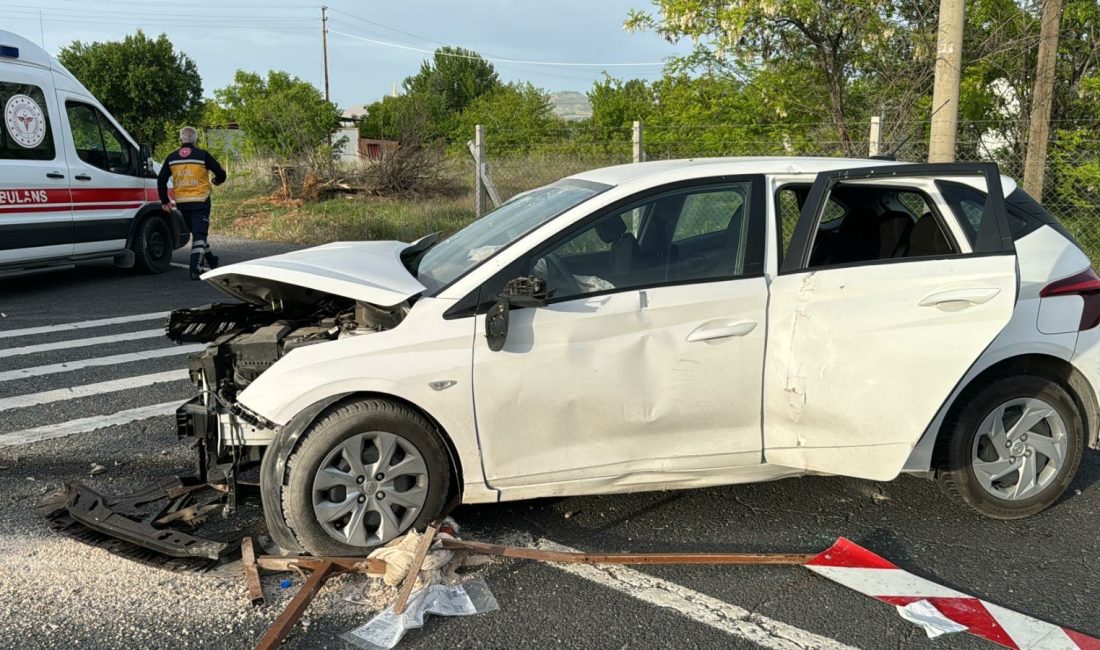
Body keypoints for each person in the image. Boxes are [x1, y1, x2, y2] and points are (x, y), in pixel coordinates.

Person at [157, 126, 228, 280]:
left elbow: (161, 179)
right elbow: (221, 173)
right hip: (201, 201)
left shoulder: (172, 157)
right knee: (199, 234)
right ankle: (195, 268)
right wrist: (217, 181)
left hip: (182, 202)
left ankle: (211, 260)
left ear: (181, 139)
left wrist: (164, 201)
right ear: (196, 140)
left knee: (197, 232)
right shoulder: (202, 155)